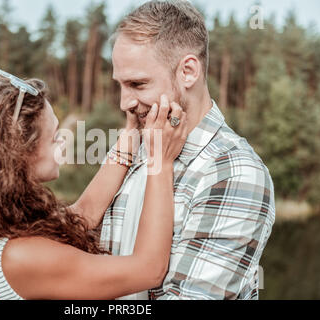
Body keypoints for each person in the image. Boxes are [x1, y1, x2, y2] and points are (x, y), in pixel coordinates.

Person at [0, 70, 188, 300]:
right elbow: (148, 270)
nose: (62, 142)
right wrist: (160, 161)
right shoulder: (20, 258)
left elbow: (83, 214)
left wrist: (132, 132)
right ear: (18, 152)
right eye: (55, 137)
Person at [97, 0, 276, 300]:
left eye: (137, 84)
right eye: (120, 85)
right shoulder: (135, 149)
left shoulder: (233, 172)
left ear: (188, 71)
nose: (124, 103)